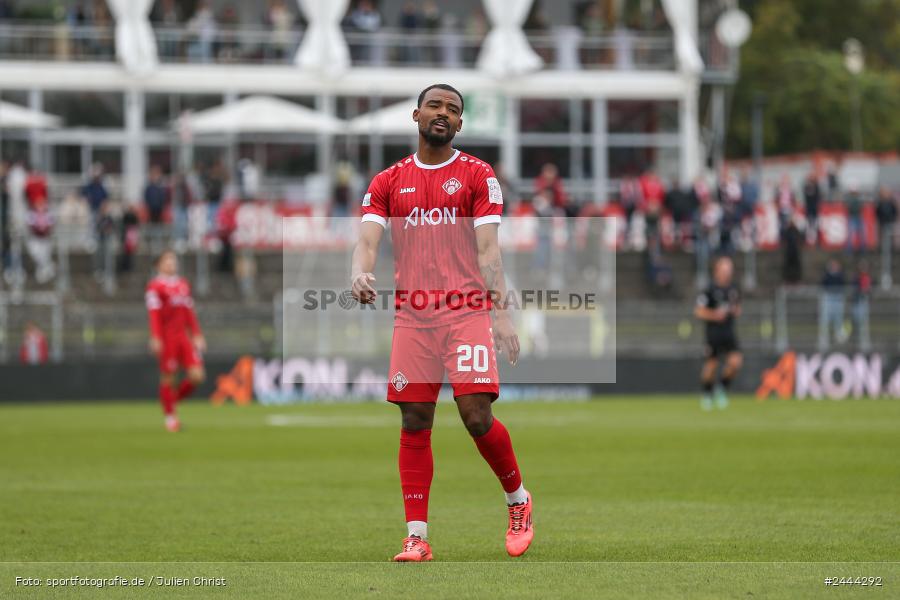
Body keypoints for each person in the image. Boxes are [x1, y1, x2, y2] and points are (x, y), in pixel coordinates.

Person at [350, 84, 532, 562]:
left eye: (453, 109)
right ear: (416, 115)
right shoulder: (388, 180)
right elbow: (367, 239)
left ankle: (518, 501)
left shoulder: (477, 174)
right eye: (435, 105)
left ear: (460, 124)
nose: (443, 113)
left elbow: (489, 250)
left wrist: (502, 313)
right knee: (415, 418)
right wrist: (359, 271)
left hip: (467, 309)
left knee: (475, 415)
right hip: (413, 315)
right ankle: (416, 536)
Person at [145, 250, 206, 432]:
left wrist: (197, 334)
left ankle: (170, 402)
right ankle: (171, 419)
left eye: (174, 260)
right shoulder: (155, 287)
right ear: (159, 265)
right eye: (168, 261)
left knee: (197, 376)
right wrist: (155, 337)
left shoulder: (182, 284)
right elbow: (154, 314)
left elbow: (189, 312)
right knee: (169, 379)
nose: (172, 264)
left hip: (183, 338)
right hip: (167, 338)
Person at [694, 256, 742, 411]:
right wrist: (714, 315)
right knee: (711, 366)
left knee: (735, 362)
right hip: (713, 333)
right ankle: (707, 394)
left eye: (730, 269)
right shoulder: (709, 290)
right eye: (725, 268)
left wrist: (735, 311)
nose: (728, 272)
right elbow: (698, 311)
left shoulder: (733, 289)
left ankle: (721, 389)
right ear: (717, 270)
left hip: (728, 332)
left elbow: (737, 308)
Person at [818, 258, 846, 350]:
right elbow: (824, 284)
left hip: (837, 299)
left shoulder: (840, 275)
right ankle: (824, 339)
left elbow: (842, 283)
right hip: (829, 298)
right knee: (825, 320)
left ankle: (839, 339)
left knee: (838, 320)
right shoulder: (827, 275)